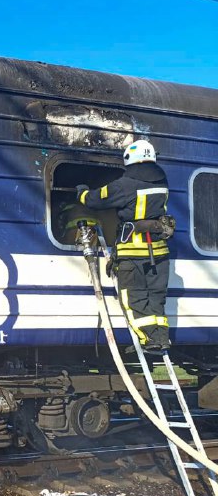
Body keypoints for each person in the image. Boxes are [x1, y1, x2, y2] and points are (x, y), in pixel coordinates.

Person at [77, 139, 174, 352]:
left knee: (133, 299)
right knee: (156, 299)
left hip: (132, 254)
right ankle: (161, 338)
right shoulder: (162, 183)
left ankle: (148, 339)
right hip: (159, 253)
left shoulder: (125, 184)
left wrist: (82, 192)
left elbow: (96, 199)